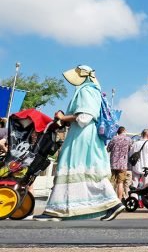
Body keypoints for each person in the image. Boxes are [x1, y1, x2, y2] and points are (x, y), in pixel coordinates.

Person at [34, 65, 123, 221]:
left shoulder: (86, 91)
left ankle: (58, 210)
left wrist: (63, 117)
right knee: (86, 171)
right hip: (86, 135)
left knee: (73, 168)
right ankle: (61, 209)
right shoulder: (95, 91)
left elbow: (84, 117)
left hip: (82, 137)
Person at [106, 126, 132, 201]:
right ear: (124, 131)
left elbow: (108, 149)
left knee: (112, 182)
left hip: (113, 164)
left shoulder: (114, 138)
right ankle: (119, 199)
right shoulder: (128, 139)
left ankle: (110, 199)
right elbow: (130, 149)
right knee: (120, 183)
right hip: (123, 164)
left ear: (118, 132)